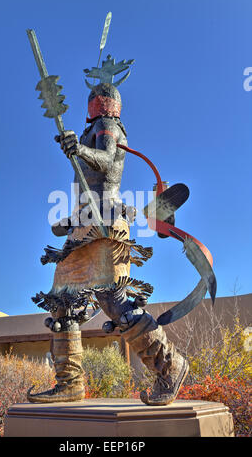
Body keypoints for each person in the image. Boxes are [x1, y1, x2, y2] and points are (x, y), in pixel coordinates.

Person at [27, 83, 189, 405]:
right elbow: (91, 176)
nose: (95, 103)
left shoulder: (107, 125)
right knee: (63, 304)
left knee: (114, 302)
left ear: (106, 104)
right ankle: (69, 383)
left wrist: (80, 150)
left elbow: (109, 161)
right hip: (85, 226)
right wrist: (72, 219)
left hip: (106, 223)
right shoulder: (94, 129)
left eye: (98, 99)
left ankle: (169, 365)